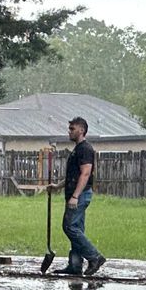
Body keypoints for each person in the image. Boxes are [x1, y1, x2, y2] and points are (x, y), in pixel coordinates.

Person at [60, 117, 106, 276]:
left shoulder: (85, 149)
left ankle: (95, 257)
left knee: (69, 227)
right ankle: (75, 265)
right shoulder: (78, 149)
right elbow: (75, 174)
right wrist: (58, 186)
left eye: (72, 129)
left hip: (79, 195)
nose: (69, 131)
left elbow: (85, 174)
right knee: (77, 228)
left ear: (81, 130)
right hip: (76, 193)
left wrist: (75, 196)